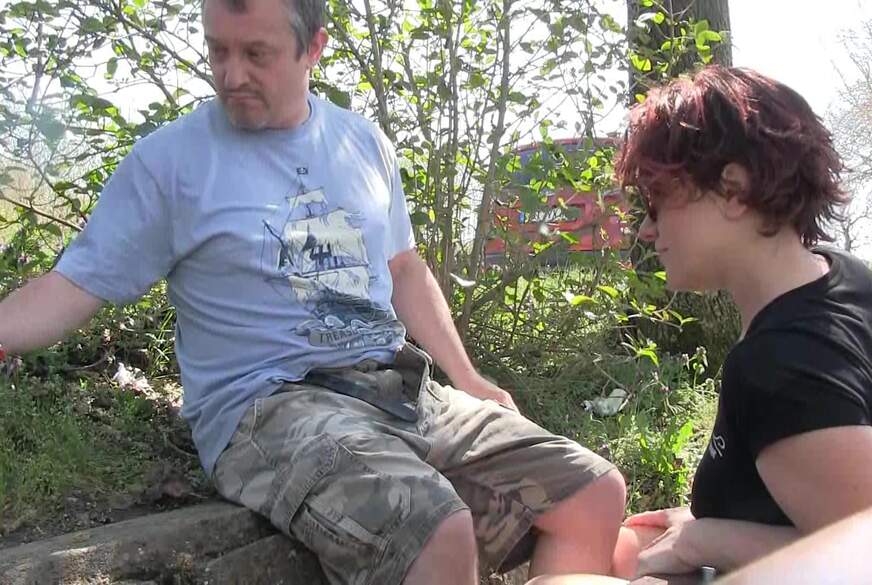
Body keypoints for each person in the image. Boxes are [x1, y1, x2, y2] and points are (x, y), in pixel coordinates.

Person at [0, 0, 627, 584]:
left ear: (314, 48)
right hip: (268, 408)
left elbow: (405, 270)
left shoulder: (361, 143)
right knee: (439, 530)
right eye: (218, 50)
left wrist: (468, 377)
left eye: (256, 53)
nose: (231, 75)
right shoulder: (170, 164)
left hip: (398, 388)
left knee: (592, 492)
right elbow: (73, 284)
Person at [608, 65, 872, 579]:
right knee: (620, 546)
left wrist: (706, 539)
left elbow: (861, 558)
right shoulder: (844, 274)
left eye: (656, 203)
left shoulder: (779, 366)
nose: (645, 230)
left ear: (732, 190)